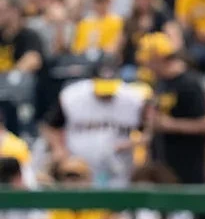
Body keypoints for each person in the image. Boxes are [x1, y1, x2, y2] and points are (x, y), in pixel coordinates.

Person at [42, 58, 148, 188]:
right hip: (80, 168)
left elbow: (147, 133)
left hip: (120, 167)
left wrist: (133, 143)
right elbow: (50, 126)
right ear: (92, 81)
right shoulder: (73, 96)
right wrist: (59, 149)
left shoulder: (133, 99)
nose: (105, 94)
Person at [141, 33, 205, 185]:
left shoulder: (189, 84)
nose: (146, 65)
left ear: (159, 58)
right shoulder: (160, 82)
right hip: (162, 165)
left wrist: (172, 125)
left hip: (186, 167)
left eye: (149, 61)